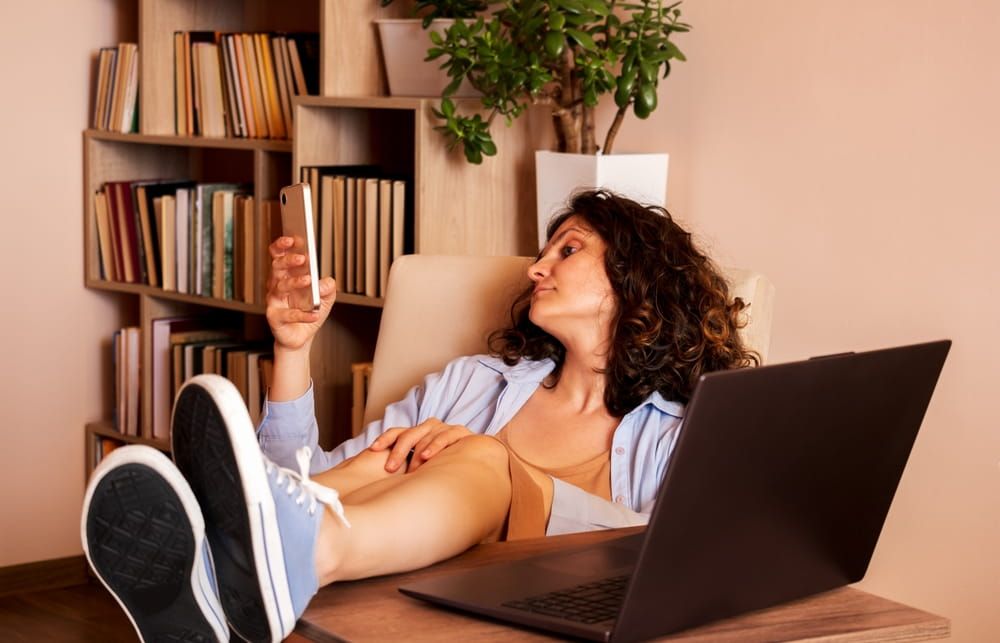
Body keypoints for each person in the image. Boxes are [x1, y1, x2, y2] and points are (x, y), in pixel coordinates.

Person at [81, 189, 759, 643]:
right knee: (393, 452)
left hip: (543, 612)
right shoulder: (472, 384)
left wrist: (485, 459)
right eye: (544, 251)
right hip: (416, 608)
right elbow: (294, 486)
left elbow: (681, 569)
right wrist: (292, 350)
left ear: (635, 277)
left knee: (481, 456)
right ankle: (216, 556)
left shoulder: (682, 432)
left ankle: (301, 556)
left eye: (568, 250)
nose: (536, 268)